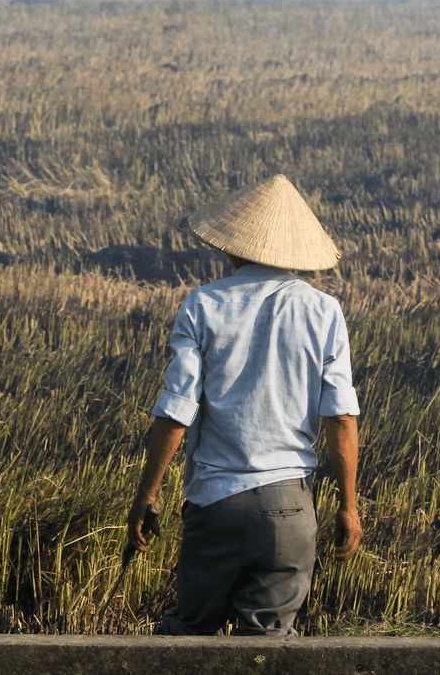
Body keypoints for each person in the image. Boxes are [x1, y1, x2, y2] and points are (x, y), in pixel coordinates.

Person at [125, 174, 362, 637]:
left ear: (232, 246)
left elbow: (176, 412)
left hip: (215, 503)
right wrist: (348, 507)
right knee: (269, 649)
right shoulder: (324, 310)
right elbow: (341, 416)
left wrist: (145, 497)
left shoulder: (203, 304)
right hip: (290, 512)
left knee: (189, 639)